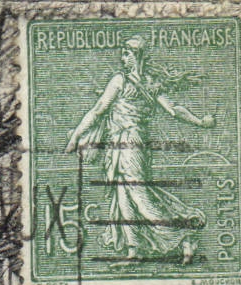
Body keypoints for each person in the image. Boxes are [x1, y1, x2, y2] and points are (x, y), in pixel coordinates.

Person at [65, 36, 213, 264]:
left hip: (130, 142)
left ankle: (183, 235)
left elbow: (98, 111)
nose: (123, 59)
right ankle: (134, 250)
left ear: (137, 56)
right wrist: (200, 121)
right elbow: (174, 110)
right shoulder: (150, 83)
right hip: (121, 143)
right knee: (122, 194)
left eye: (126, 54)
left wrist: (75, 135)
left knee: (138, 193)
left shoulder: (121, 81)